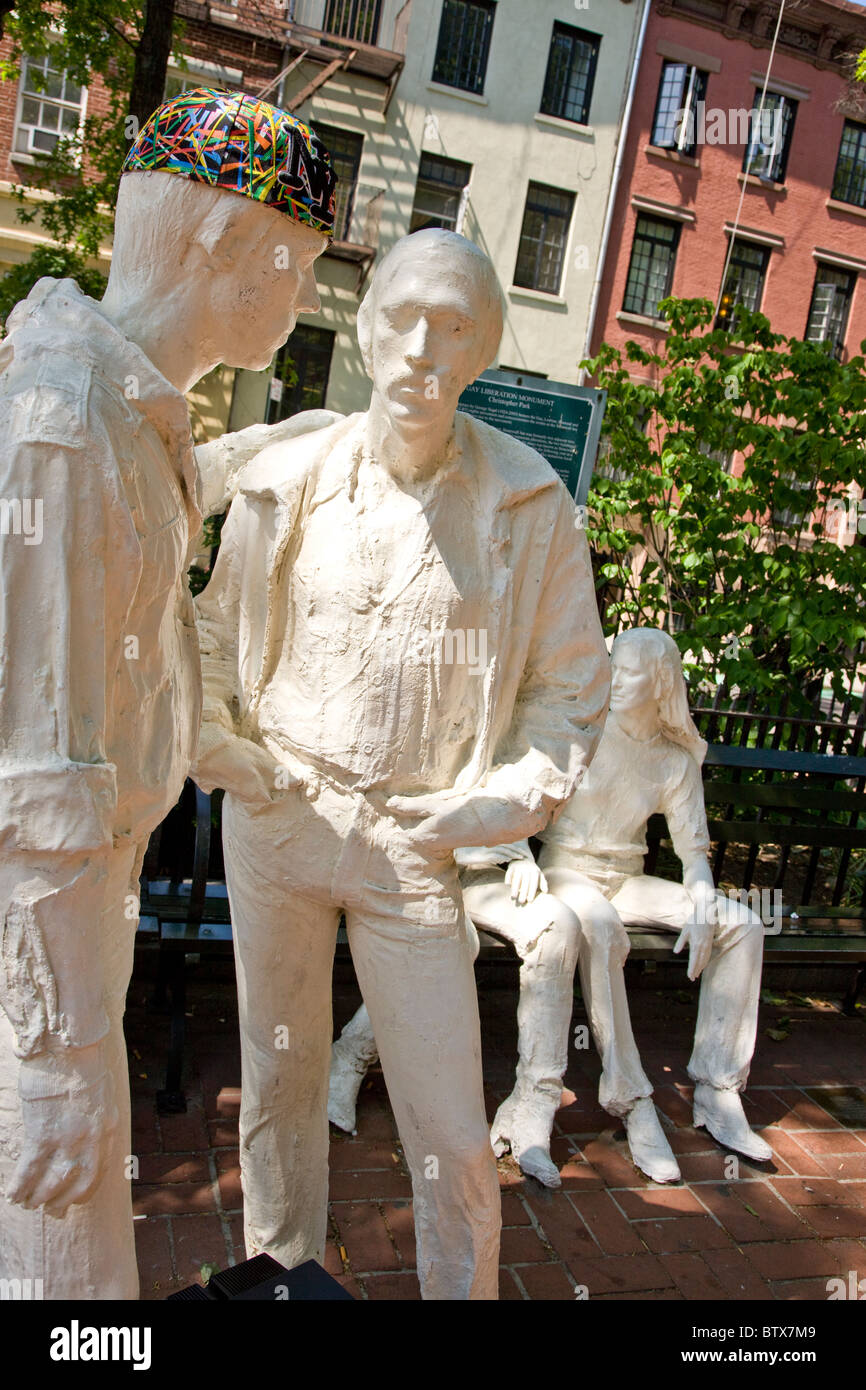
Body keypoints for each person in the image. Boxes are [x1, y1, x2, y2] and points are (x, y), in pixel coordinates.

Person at [193, 228, 610, 1299]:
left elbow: (570, 689)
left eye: (454, 326)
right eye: (404, 317)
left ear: (480, 352)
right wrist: (225, 756)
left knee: (448, 1127)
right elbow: (206, 637)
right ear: (369, 322)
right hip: (277, 818)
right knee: (276, 1082)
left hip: (413, 847)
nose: (423, 348)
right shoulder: (285, 480)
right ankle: (281, 1281)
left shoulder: (526, 505)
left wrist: (487, 808)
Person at [0, 86, 334, 1299]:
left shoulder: (125, 414)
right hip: (31, 964)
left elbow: (128, 623)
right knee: (54, 1269)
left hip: (82, 923)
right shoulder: (58, 426)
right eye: (293, 268)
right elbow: (35, 767)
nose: (300, 299)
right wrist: (55, 1057)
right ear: (219, 244)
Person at [539, 627, 772, 1164]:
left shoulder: (674, 760)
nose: (614, 679)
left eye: (628, 671)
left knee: (744, 924)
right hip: (566, 871)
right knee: (600, 927)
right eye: (611, 666)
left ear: (661, 681)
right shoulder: (583, 731)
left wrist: (702, 905)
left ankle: (718, 1089)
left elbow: (695, 858)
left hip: (626, 878)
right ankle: (632, 1098)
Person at [329, 842, 582, 1190]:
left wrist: (520, 856)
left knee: (558, 925)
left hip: (481, 866)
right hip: (407, 864)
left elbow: (508, 790)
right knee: (453, 937)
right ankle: (350, 1056)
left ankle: (534, 1104)